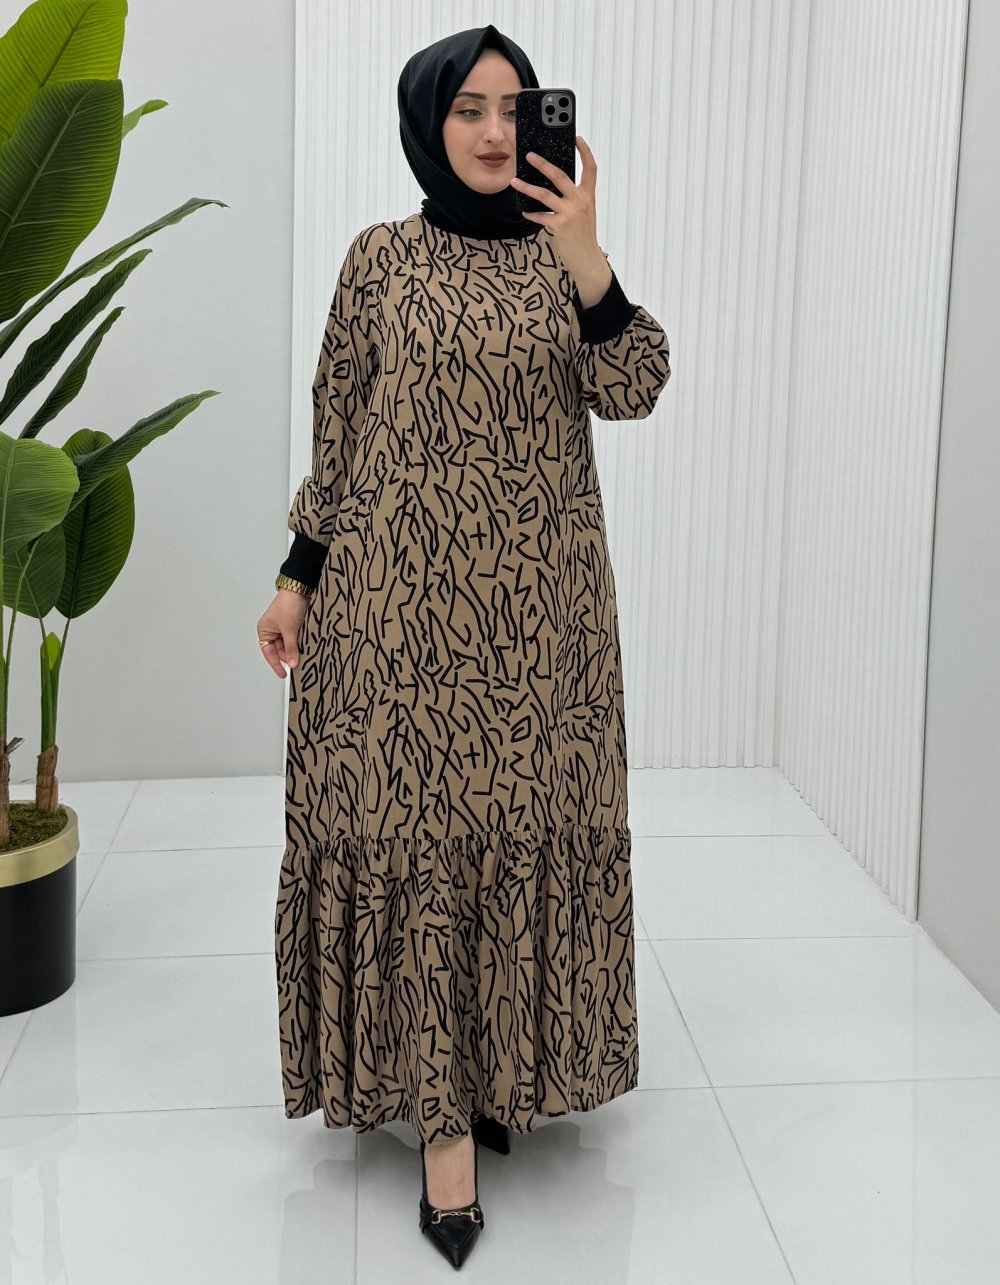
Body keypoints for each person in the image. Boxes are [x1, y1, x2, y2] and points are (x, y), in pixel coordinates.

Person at [256, 23, 671, 1269]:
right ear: (428, 122)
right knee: (419, 851)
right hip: (390, 626)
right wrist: (295, 578)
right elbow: (339, 430)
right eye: (468, 109)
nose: (494, 132)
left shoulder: (562, 261)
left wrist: (589, 261)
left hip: (540, 630)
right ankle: (444, 1130)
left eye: (512, 107)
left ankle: (502, 1074)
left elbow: (636, 387)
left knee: (516, 837)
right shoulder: (378, 258)